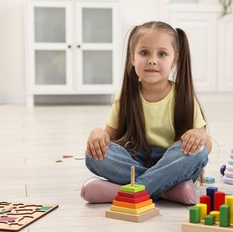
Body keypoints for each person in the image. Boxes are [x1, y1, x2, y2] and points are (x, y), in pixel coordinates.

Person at [81, 21, 212, 205]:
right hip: (135, 159)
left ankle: (126, 191)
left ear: (174, 61)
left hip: (172, 161)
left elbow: (205, 147)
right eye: (144, 53)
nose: (152, 60)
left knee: (198, 152)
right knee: (93, 155)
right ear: (132, 58)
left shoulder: (183, 96)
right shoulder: (125, 97)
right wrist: (97, 134)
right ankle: (167, 190)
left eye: (162, 54)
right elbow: (107, 141)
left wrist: (200, 134)